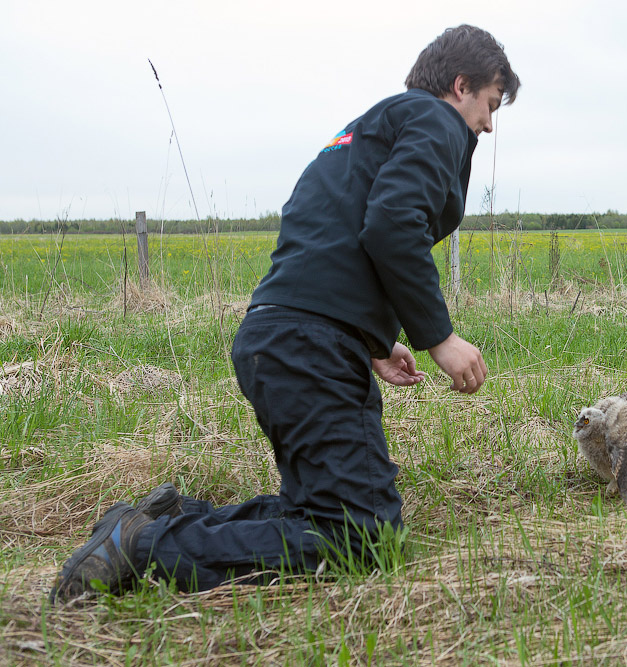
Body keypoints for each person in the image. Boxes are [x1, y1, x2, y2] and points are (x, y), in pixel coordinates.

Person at [50, 24, 520, 600]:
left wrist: (373, 340)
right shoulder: (434, 120)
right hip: (307, 347)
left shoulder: (369, 130)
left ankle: (160, 522)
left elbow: (334, 236)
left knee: (320, 512)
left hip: (283, 336)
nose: (489, 125)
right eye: (491, 105)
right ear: (461, 84)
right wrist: (438, 337)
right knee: (362, 537)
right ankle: (143, 547)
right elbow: (396, 225)